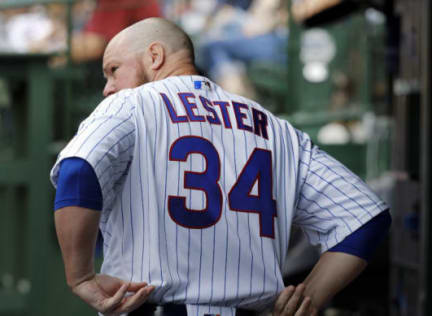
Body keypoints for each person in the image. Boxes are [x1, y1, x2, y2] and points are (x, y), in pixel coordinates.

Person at [50, 17, 391, 316]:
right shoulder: (275, 128)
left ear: (154, 56)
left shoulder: (131, 105)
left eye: (113, 71)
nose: (108, 88)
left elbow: (79, 170)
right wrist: (310, 297)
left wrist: (80, 276)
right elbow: (364, 219)